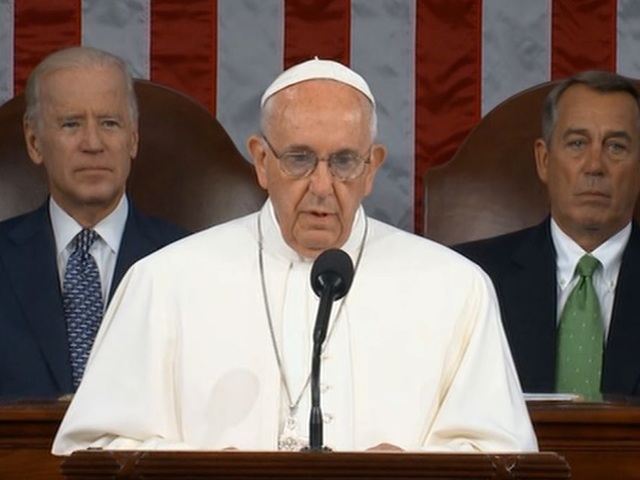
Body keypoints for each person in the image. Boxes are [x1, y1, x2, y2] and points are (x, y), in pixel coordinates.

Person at [51, 58, 537, 454]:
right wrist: (200, 471)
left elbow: (502, 456)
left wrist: (406, 471)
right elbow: (90, 450)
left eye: (344, 161)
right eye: (300, 159)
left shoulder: (453, 288)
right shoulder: (164, 281)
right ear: (261, 161)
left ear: (372, 168)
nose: (322, 187)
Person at [0, 46, 189, 400]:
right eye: (71, 124)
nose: (93, 143)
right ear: (34, 140)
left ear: (132, 137)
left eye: (109, 123)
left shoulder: (190, 263)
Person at [455, 71, 640, 399]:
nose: (594, 165)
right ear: (544, 160)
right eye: (577, 143)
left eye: (616, 146)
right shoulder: (470, 277)